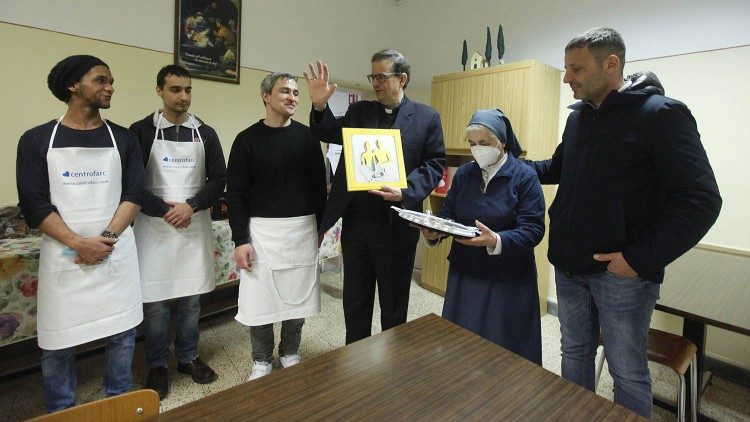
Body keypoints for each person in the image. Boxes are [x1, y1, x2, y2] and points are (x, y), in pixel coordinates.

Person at [525, 27, 722, 418]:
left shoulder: (661, 115)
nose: (567, 78)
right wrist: (509, 162)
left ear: (610, 64)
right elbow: (558, 168)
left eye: (576, 69)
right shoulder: (579, 118)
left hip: (622, 275)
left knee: (627, 371)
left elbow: (700, 200)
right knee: (574, 351)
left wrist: (637, 259)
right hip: (568, 263)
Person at [16, 55, 145, 412]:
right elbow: (35, 205)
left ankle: (120, 402)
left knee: (122, 335)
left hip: (114, 251)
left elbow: (134, 194)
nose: (110, 87)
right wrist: (78, 243)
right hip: (65, 257)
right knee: (58, 344)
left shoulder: (124, 139)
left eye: (111, 80)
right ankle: (61, 411)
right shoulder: (37, 140)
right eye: (102, 80)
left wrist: (105, 239)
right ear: (73, 85)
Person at [304, 50, 446, 344]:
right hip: (358, 224)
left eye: (382, 76)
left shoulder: (426, 117)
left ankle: (392, 366)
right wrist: (319, 106)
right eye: (373, 77)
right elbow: (328, 130)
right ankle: (355, 360)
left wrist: (405, 189)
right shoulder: (359, 113)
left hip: (397, 226)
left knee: (394, 304)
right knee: (355, 300)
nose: (376, 83)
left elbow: (434, 163)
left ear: (402, 79)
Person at [129, 64, 226, 399]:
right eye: (174, 90)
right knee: (155, 305)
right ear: (159, 91)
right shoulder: (141, 132)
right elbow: (133, 183)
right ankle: (157, 365)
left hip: (192, 224)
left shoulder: (206, 133)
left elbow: (218, 180)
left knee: (190, 301)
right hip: (153, 228)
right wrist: (165, 210)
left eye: (187, 90)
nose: (182, 96)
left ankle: (188, 356)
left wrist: (191, 205)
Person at [420, 109, 544, 364]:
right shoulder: (465, 174)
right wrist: (435, 231)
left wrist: (495, 240)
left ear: (502, 141)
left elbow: (533, 230)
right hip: (465, 272)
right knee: (461, 349)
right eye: (472, 144)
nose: (477, 149)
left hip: (507, 278)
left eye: (484, 143)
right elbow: (449, 215)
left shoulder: (524, 177)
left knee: (503, 354)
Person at [227, 72, 327, 380]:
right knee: (260, 299)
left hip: (302, 230)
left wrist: (320, 229)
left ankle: (289, 351)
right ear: (266, 96)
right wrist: (240, 239)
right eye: (285, 91)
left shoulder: (309, 138)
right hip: (261, 233)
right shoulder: (246, 141)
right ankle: (261, 359)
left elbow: (318, 187)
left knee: (298, 296)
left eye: (296, 93)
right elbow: (237, 194)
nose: (293, 97)